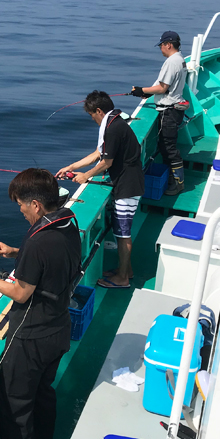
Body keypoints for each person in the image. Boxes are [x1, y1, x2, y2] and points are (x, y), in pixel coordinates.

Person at [0, 168, 81, 439]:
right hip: (58, 329)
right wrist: (17, 252)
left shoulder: (38, 241)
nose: (21, 212)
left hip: (31, 339)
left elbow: (20, 291)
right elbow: (48, 259)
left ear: (36, 205)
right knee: (42, 396)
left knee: (16, 408)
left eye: (22, 206)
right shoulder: (67, 222)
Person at [56, 90, 144, 289]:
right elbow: (98, 153)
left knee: (123, 234)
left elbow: (106, 162)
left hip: (128, 187)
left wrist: (85, 176)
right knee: (121, 232)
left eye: (92, 115)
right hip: (127, 183)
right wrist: (73, 167)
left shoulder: (112, 128)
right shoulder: (115, 122)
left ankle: (122, 279)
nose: (92, 119)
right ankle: (126, 270)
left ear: (98, 110)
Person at [131, 30, 188, 195]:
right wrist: (148, 92)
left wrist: (141, 90)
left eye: (161, 46)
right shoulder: (180, 59)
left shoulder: (171, 62)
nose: (161, 49)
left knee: (169, 149)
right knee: (167, 147)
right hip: (175, 109)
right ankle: (174, 179)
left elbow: (163, 87)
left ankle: (179, 184)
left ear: (168, 44)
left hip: (169, 112)